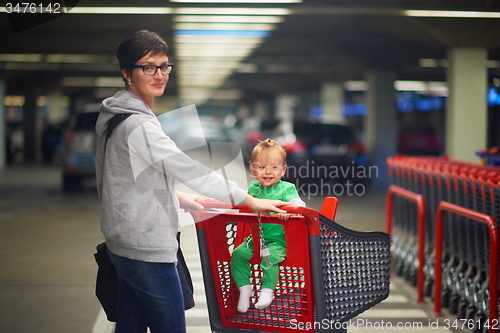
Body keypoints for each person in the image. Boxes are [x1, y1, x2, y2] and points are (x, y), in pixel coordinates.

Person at [94, 30, 287, 333]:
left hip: (123, 241)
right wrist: (248, 199)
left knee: (130, 326)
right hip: (145, 247)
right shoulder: (139, 124)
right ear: (126, 72)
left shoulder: (116, 117)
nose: (159, 75)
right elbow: (188, 168)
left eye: (164, 66)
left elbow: (126, 175)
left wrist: (178, 198)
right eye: (148, 67)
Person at [230, 139, 306, 313]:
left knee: (269, 259)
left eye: (274, 167)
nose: (268, 172)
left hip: (278, 241)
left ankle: (267, 291)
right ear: (253, 169)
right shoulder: (253, 189)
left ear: (283, 170)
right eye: (262, 167)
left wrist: (289, 211)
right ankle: (244, 289)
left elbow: (301, 207)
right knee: (238, 254)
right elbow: (245, 205)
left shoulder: (287, 189)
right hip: (255, 238)